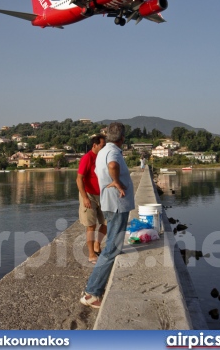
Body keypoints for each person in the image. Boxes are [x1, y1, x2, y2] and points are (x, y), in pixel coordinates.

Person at [80, 122, 135, 309]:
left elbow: (100, 170)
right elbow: (112, 165)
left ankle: (92, 290)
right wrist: (117, 182)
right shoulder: (113, 151)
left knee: (112, 244)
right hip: (117, 204)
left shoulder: (102, 150)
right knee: (111, 248)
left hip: (109, 203)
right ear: (122, 138)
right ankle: (92, 293)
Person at [76, 134, 107, 264]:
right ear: (95, 145)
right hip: (89, 195)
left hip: (102, 195)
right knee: (91, 226)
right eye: (102, 145)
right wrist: (84, 198)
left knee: (107, 223)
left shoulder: (102, 157)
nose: (104, 148)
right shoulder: (87, 158)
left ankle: (97, 244)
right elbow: (79, 179)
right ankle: (91, 254)